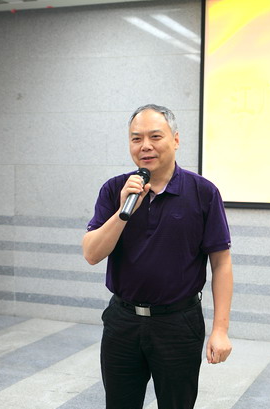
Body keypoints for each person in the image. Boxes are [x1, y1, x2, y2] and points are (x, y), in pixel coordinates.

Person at [82, 104, 233, 409]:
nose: (145, 146)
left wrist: (220, 330)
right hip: (123, 321)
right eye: (136, 138)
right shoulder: (115, 189)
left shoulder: (203, 192)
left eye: (155, 136)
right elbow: (92, 254)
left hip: (178, 323)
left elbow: (221, 263)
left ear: (175, 140)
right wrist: (123, 211)